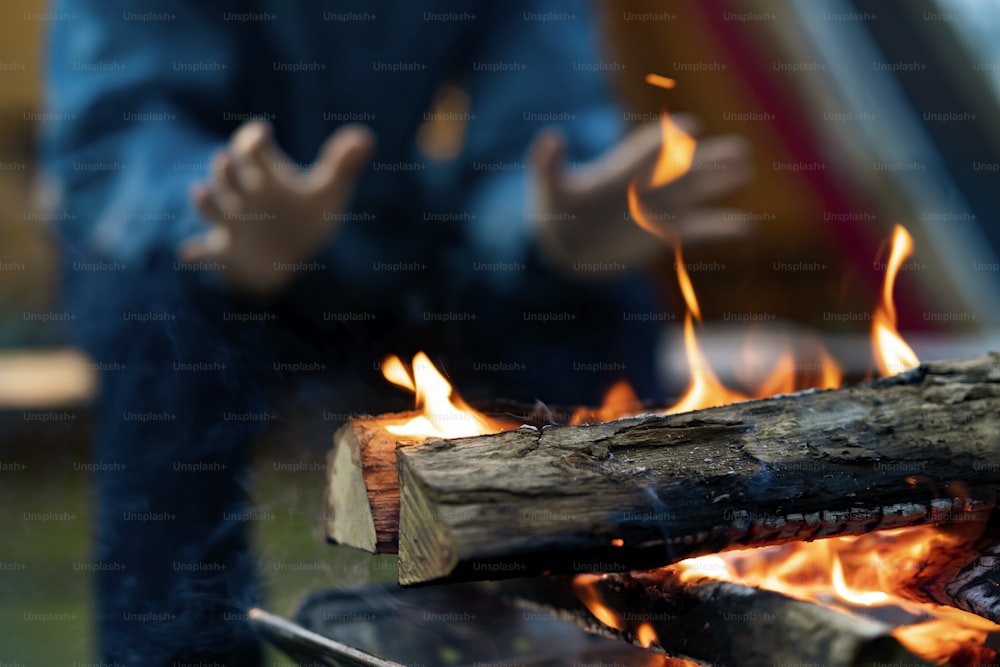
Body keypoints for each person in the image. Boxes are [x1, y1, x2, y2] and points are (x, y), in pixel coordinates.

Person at [42, 0, 752, 664]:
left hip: (402, 245)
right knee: (161, 320)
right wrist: (213, 221)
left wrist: (544, 225)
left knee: (593, 291)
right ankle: (179, 649)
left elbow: (539, 125)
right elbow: (116, 131)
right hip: (215, 252)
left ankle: (622, 632)